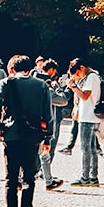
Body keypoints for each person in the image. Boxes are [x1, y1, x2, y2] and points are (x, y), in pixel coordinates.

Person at [0, 55, 54, 207]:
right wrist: (47, 138)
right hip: (32, 136)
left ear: (12, 69)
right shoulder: (42, 86)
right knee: (29, 177)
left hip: (11, 135)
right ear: (30, 69)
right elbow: (48, 115)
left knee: (11, 179)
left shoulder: (6, 83)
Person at [65, 58, 101, 187]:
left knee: (85, 149)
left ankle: (85, 177)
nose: (78, 76)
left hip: (87, 117)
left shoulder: (91, 77)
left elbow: (85, 96)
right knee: (91, 149)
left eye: (78, 73)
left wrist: (73, 87)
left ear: (82, 67)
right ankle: (93, 177)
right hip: (91, 117)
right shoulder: (95, 76)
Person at [38, 59, 65, 190]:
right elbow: (63, 100)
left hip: (29, 122)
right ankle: (47, 178)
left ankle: (21, 178)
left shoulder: (31, 82)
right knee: (46, 150)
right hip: (47, 122)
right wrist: (57, 87)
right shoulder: (47, 88)